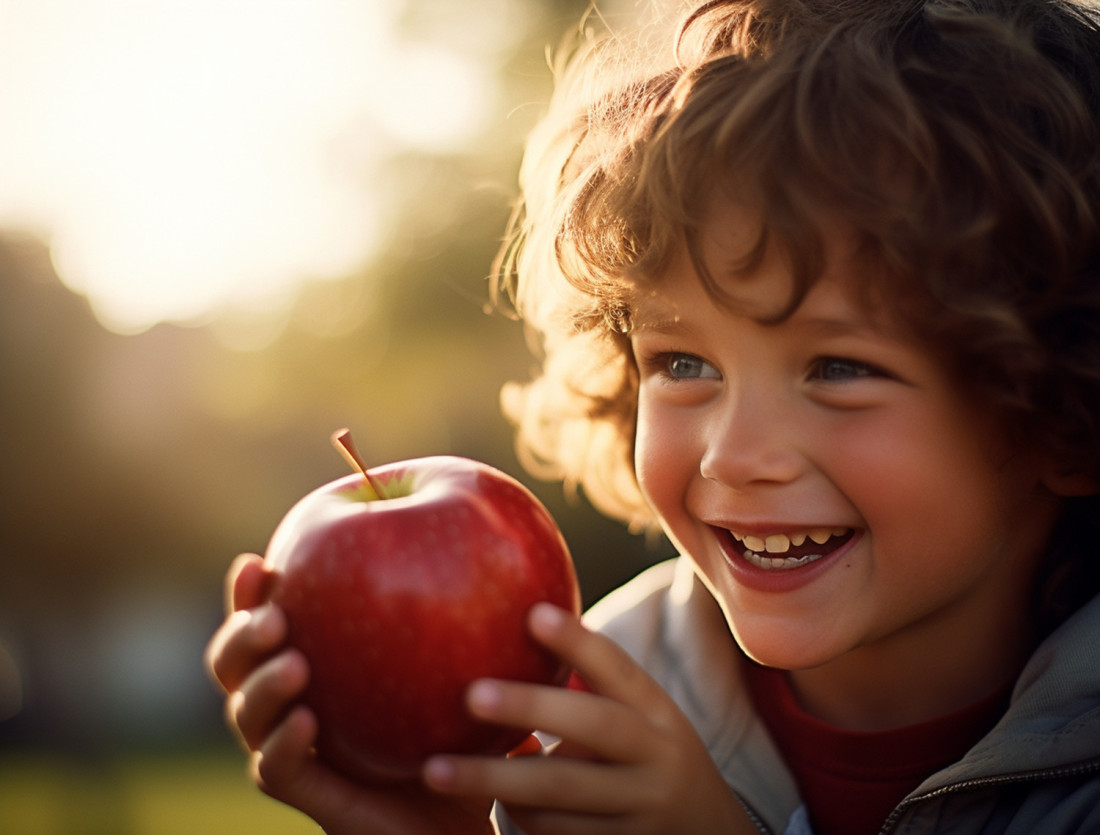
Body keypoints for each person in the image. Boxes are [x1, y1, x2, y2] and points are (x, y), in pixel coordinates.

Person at [205, 0, 1100, 832]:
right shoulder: (572, 725)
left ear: (1063, 407)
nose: (732, 454)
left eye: (838, 367)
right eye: (681, 364)